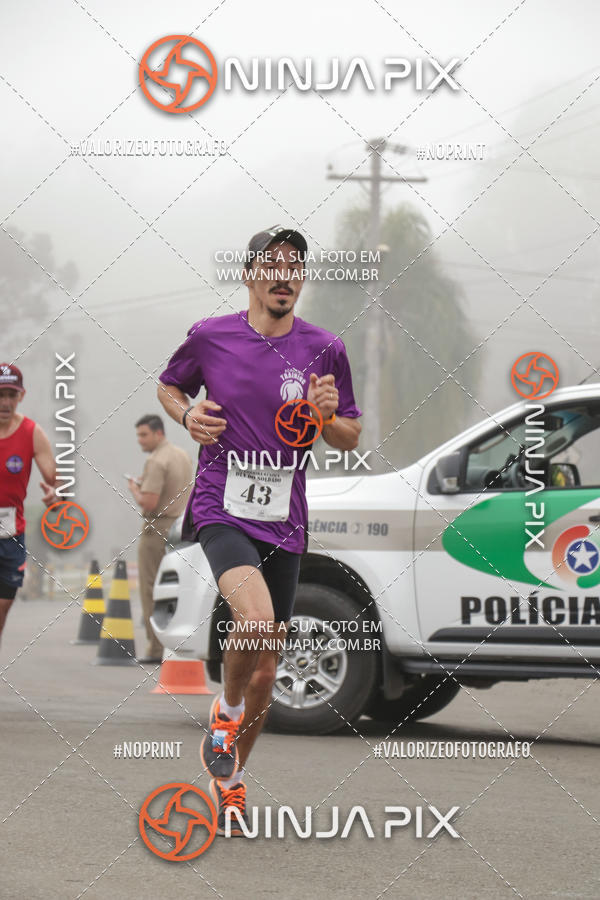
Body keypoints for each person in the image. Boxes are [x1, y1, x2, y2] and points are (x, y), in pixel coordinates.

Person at [157, 225, 362, 835]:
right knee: (256, 621)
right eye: (273, 264)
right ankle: (225, 707)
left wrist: (328, 416)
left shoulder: (325, 349)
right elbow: (170, 386)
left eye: (295, 265)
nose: (285, 274)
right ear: (249, 275)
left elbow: (350, 433)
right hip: (222, 507)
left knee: (269, 669)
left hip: (286, 521)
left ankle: (231, 782)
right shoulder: (211, 336)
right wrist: (188, 413)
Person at [128, 414, 193, 663]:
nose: (140, 441)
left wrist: (136, 488)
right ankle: (179, 646)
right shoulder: (182, 455)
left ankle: (156, 649)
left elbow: (149, 502)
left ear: (158, 433)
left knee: (151, 589)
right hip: (181, 527)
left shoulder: (156, 461)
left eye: (143, 434)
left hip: (158, 530)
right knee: (178, 589)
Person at [0, 364, 56, 642]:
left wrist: (54, 495)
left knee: (2, 609)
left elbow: (54, 480)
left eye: (11, 395)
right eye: (0, 394)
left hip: (11, 533)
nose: (5, 402)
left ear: (20, 396)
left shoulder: (32, 433)